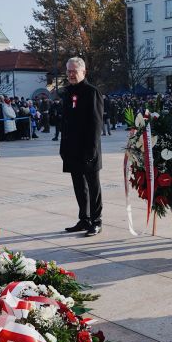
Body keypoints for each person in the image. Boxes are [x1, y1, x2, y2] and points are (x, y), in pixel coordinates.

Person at [60, 57, 104, 237]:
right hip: (72, 149)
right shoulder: (67, 92)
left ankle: (96, 221)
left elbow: (96, 124)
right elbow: (65, 122)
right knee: (79, 185)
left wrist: (92, 150)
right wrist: (63, 147)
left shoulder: (92, 92)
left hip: (88, 149)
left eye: (74, 71)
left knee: (93, 186)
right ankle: (84, 219)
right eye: (68, 71)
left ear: (83, 72)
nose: (71, 74)